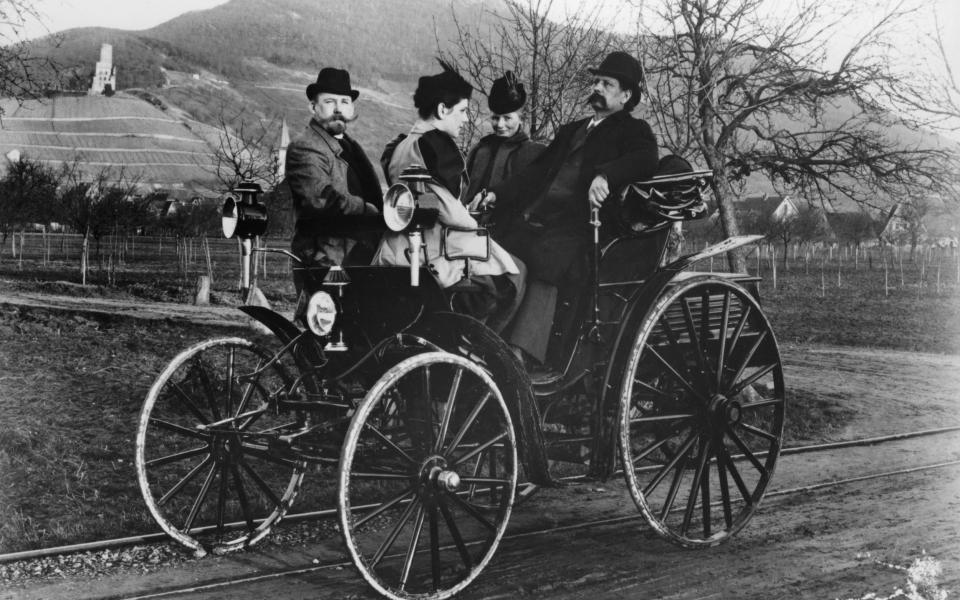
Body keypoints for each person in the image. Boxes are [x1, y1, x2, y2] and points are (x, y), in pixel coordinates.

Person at [484, 51, 659, 364]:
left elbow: (646, 159)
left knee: (545, 259)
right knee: (498, 250)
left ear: (626, 94)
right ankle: (488, 339)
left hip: (581, 227)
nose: (598, 87)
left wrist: (607, 175)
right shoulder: (571, 130)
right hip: (539, 218)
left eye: (607, 84)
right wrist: (497, 194)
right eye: (596, 82)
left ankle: (520, 354)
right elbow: (534, 173)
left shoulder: (633, 131)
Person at [374, 60, 525, 332]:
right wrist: (473, 220)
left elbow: (421, 198)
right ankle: (485, 352)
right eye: (463, 111)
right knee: (515, 274)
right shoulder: (436, 145)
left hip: (397, 246)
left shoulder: (399, 145)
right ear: (443, 110)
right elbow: (447, 210)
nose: (467, 120)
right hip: (435, 248)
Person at [286, 67, 383, 288]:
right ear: (313, 106)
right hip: (326, 258)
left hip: (357, 253)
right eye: (330, 102)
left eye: (345, 102)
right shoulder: (305, 146)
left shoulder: (349, 145)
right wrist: (366, 209)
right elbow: (321, 199)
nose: (338, 109)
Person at [463, 71, 545, 209]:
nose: (500, 125)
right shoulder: (480, 150)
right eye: (495, 118)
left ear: (521, 118)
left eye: (507, 118)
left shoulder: (535, 152)